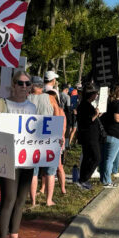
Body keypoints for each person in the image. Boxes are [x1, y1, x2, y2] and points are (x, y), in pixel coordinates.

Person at [0, 70, 37, 238]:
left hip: (27, 158)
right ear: (13, 85)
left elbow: (38, 132)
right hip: (7, 158)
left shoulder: (32, 107)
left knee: (21, 199)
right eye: (20, 83)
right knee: (8, 199)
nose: (24, 87)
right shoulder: (2, 104)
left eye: (28, 84)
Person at [27, 77, 54, 206]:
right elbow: (59, 114)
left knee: (33, 171)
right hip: (49, 135)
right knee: (50, 170)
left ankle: (33, 201)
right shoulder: (50, 98)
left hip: (30, 137)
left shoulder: (26, 98)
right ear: (41, 86)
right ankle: (48, 200)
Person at [42, 72, 67, 204]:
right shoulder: (56, 109)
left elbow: (62, 127)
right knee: (53, 167)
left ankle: (61, 188)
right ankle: (46, 191)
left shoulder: (60, 111)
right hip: (51, 138)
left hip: (52, 139)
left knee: (56, 167)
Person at [75, 84, 101, 190]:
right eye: (95, 94)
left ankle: (82, 179)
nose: (96, 96)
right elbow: (87, 121)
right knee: (96, 157)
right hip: (89, 136)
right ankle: (84, 178)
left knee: (87, 157)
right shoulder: (84, 106)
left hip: (89, 135)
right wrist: (95, 114)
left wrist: (97, 114)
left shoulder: (85, 105)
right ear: (92, 95)